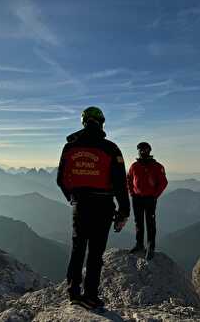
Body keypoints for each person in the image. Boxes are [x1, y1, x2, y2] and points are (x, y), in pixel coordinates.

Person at [57, 106, 130, 309]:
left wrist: (73, 198)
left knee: (78, 248)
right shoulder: (111, 148)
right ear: (101, 122)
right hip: (103, 205)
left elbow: (61, 179)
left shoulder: (70, 148)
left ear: (84, 122)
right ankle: (90, 295)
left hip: (80, 205)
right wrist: (124, 211)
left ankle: (73, 293)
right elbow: (120, 184)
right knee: (96, 253)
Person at [127, 142, 168, 260]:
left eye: (144, 149)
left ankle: (150, 247)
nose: (142, 151)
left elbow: (163, 182)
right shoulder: (134, 166)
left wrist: (155, 195)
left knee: (150, 222)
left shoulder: (157, 166)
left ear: (149, 151)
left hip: (150, 198)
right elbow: (129, 178)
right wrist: (132, 193)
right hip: (137, 198)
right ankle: (139, 244)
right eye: (140, 149)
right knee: (138, 222)